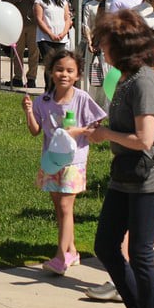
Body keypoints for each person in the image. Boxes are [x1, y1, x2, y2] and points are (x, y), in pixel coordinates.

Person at [86, 9, 154, 308]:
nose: (102, 49)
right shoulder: (124, 77)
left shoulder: (144, 82)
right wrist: (96, 130)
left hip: (149, 177)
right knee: (106, 246)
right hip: (125, 174)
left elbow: (145, 139)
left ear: (123, 47)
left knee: (139, 254)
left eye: (106, 44)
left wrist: (106, 132)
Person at [22, 48, 106, 275]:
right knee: (59, 208)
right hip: (51, 160)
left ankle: (61, 257)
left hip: (74, 161)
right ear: (50, 72)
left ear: (78, 75)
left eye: (70, 71)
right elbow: (35, 131)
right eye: (59, 70)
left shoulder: (82, 99)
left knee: (66, 206)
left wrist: (75, 131)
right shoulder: (43, 101)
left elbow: (95, 127)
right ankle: (72, 250)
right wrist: (29, 112)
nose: (64, 74)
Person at [6, 0, 41, 88]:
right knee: (17, 52)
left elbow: (43, 3)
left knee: (34, 53)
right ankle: (17, 78)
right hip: (18, 23)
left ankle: (31, 79)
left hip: (34, 24)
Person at [34, 0, 73, 64]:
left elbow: (67, 19)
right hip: (45, 39)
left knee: (58, 64)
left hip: (61, 39)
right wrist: (50, 34)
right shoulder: (39, 0)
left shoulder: (63, 1)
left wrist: (63, 34)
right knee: (50, 65)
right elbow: (39, 20)